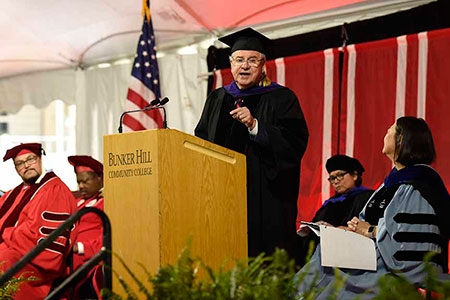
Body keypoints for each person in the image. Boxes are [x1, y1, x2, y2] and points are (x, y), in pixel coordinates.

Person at [296, 117, 450, 299]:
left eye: (390, 130)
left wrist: (369, 230)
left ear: (402, 140)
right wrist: (343, 232)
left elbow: (406, 239)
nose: (386, 133)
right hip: (375, 257)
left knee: (339, 281)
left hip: (393, 266)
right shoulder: (388, 185)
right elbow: (363, 223)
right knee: (326, 253)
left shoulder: (420, 184)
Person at [195, 28, 309, 263]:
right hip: (222, 198)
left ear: (263, 64)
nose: (244, 66)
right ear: (230, 63)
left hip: (266, 202)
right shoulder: (217, 98)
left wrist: (256, 125)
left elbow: (294, 143)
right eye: (239, 60)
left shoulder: (282, 98)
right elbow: (201, 140)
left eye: (251, 60)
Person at [0, 143, 78, 299]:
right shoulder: (12, 193)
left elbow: (41, 240)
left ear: (40, 159)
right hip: (13, 252)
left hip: (35, 265)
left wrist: (6, 234)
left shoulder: (54, 190)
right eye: (20, 163)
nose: (26, 165)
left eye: (31, 159)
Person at [297, 155, 373, 264]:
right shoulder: (329, 203)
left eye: (340, 175)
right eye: (332, 178)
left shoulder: (367, 198)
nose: (335, 181)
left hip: (348, 255)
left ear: (355, 175)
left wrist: (337, 230)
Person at [67, 155, 104, 299]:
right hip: (70, 254)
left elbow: (108, 236)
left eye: (85, 181)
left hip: (87, 257)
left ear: (99, 178)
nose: (81, 186)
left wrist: (80, 247)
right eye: (78, 182)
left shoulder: (106, 202)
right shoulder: (77, 202)